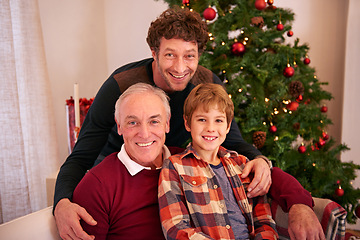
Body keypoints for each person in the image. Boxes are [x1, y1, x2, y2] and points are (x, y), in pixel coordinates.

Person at [54, 7, 324, 240]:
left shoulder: (206, 86)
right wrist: (62, 202)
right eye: (170, 55)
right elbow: (81, 155)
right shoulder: (120, 86)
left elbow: (233, 146)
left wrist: (272, 173)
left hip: (174, 172)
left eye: (190, 56)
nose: (180, 67)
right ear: (154, 52)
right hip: (125, 176)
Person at [158, 83, 278, 240]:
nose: (210, 128)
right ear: (187, 123)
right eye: (202, 119)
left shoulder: (242, 164)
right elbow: (176, 228)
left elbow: (264, 220)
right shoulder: (174, 167)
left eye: (218, 121)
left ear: (228, 126)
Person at [72, 83, 169, 240]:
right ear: (119, 126)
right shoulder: (97, 186)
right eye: (132, 122)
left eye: (154, 121)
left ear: (167, 124)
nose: (144, 134)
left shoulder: (189, 164)